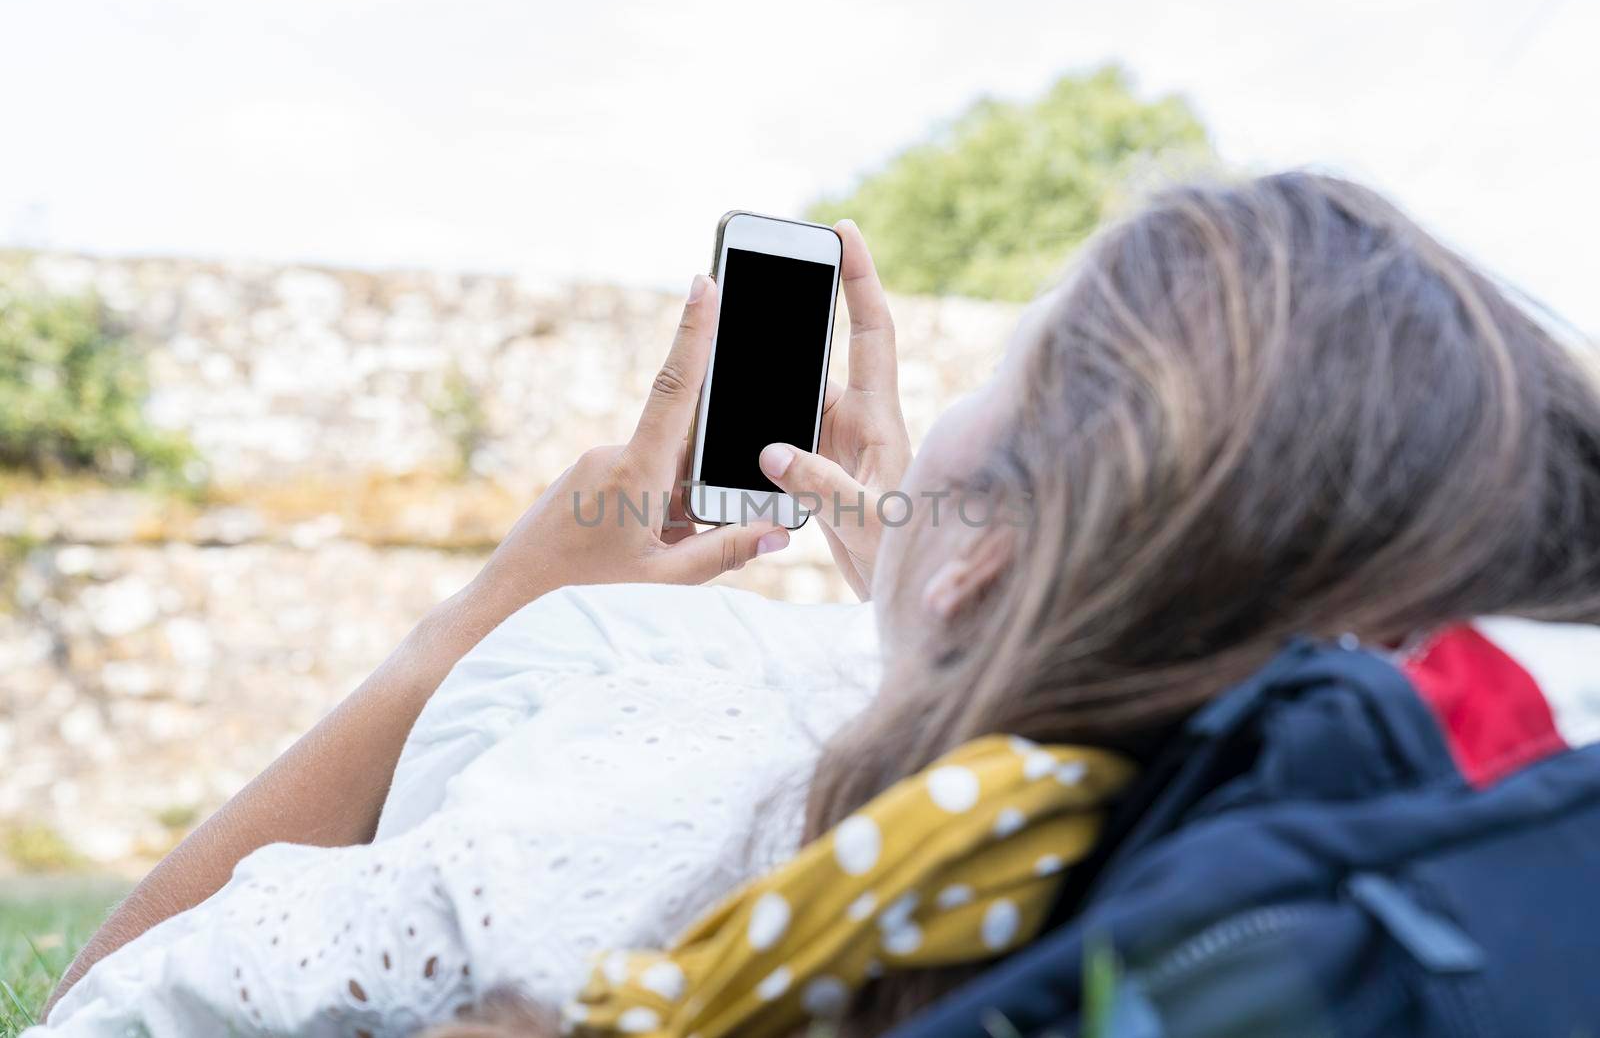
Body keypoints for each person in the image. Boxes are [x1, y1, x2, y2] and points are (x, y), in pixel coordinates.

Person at [38, 172, 1600, 1038]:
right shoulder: (1292, 854)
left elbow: (106, 1012)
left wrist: (479, 619)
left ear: (993, 560)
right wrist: (950, 622)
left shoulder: (653, 788)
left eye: (1008, 373)